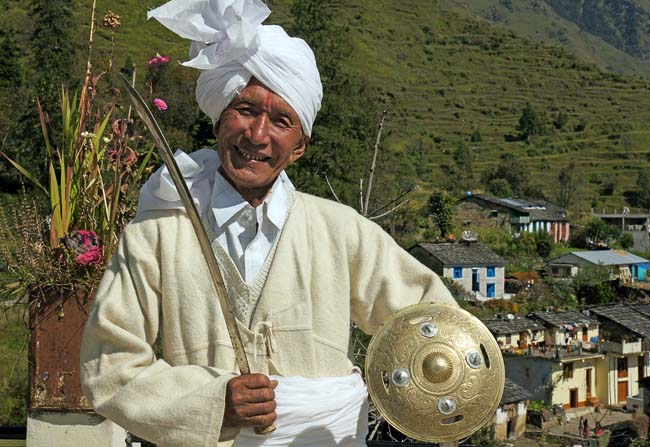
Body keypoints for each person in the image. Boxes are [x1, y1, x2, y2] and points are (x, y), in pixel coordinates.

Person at [79, 0, 455, 446]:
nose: (257, 134)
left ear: (299, 146)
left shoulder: (342, 231)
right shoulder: (156, 236)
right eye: (244, 110)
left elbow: (434, 328)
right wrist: (213, 402)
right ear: (219, 121)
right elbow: (109, 366)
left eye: (281, 120)